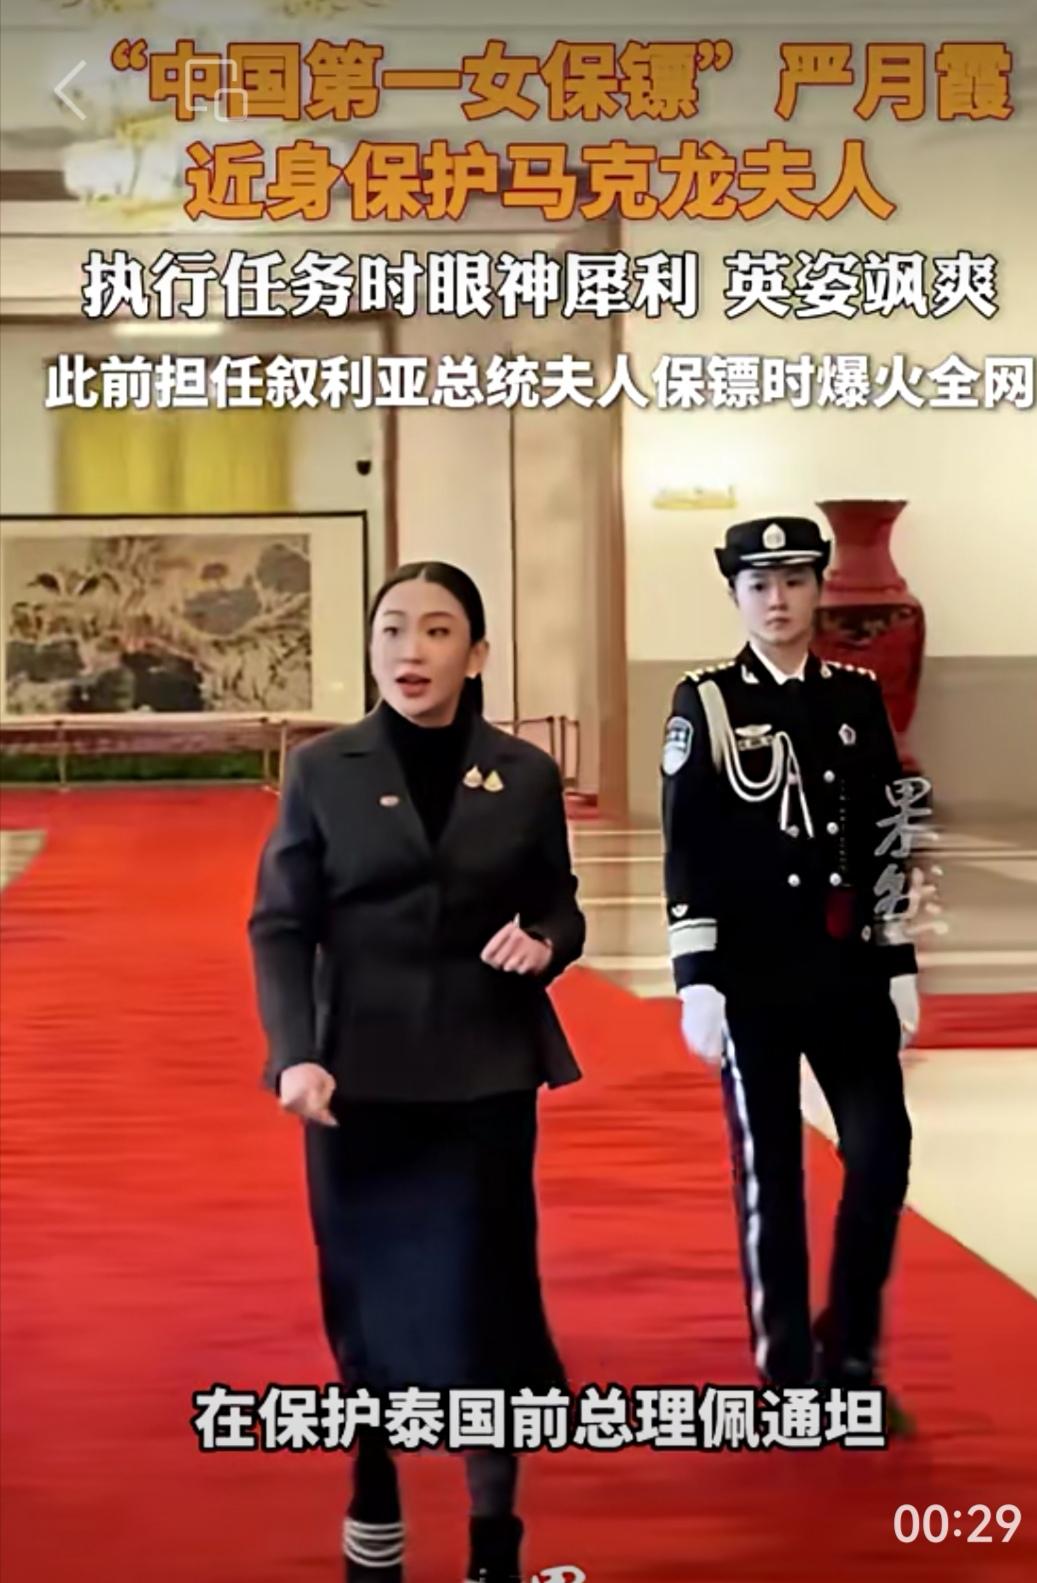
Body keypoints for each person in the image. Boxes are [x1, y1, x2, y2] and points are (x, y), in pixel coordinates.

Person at [248, 561, 585, 1583]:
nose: (411, 649)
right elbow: (281, 923)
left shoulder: (523, 773)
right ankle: (375, 1492)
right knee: (369, 1298)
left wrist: (546, 940)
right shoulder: (322, 768)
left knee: (488, 1299)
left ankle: (494, 1534)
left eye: (437, 631)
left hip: (485, 1071)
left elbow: (560, 902)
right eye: (392, 628)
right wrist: (295, 1052)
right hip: (359, 1080)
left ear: (475, 655)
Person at [660, 516, 927, 1424]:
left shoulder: (855, 695)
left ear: (817, 589)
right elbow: (688, 844)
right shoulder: (707, 702)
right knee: (772, 1172)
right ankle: (786, 1372)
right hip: (753, 978)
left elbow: (887, 832)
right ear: (736, 594)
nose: (777, 599)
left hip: (847, 970)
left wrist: (898, 955)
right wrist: (696, 972)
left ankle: (848, 1345)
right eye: (759, 583)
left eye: (794, 580)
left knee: (882, 1154)